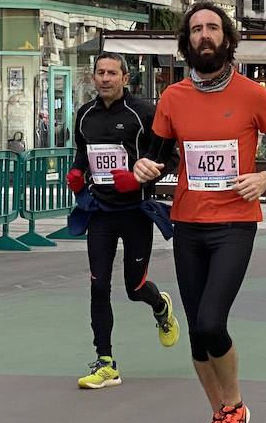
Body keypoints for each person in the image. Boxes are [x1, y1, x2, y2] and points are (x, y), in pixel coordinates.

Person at [133, 2, 266, 423]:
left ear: (226, 38)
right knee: (196, 331)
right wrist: (146, 166)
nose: (205, 35)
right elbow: (159, 154)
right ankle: (219, 414)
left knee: (210, 321)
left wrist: (265, 176)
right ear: (187, 42)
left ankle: (237, 407)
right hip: (187, 223)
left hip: (234, 223)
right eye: (196, 29)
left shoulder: (252, 94)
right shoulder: (172, 98)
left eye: (213, 28)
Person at [66, 52, 181, 390]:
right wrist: (77, 172)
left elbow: (170, 156)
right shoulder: (84, 115)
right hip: (100, 212)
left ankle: (160, 306)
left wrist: (141, 178)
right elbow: (81, 152)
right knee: (98, 285)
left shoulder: (143, 113)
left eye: (112, 73)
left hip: (135, 212)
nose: (104, 78)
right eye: (99, 72)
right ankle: (106, 362)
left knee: (134, 287)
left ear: (125, 78)